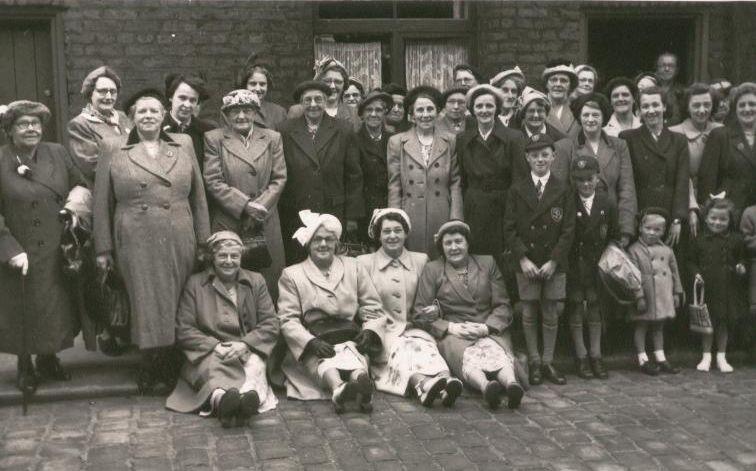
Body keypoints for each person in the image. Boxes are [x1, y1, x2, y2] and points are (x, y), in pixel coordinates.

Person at [93, 88, 210, 394]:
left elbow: (199, 196)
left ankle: (171, 360)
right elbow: (102, 201)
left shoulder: (182, 143)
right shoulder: (113, 146)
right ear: (131, 117)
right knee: (144, 297)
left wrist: (204, 240)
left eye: (154, 111)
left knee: (177, 296)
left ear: (163, 116)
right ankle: (148, 362)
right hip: (135, 233)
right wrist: (103, 247)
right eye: (141, 111)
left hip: (179, 231)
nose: (148, 116)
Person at [0, 101, 87, 393]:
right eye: (23, 124)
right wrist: (9, 248)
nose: (31, 129)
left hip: (53, 245)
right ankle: (25, 365)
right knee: (21, 307)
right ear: (9, 130)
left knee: (53, 307)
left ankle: (48, 358)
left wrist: (73, 208)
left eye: (36, 123)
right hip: (18, 246)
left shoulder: (57, 153)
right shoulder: (1, 159)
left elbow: (81, 185)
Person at [166, 231, 280, 427]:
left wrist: (245, 344)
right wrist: (214, 346)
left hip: (247, 349)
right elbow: (184, 328)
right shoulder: (195, 284)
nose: (229, 261)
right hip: (209, 351)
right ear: (212, 258)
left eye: (234, 256)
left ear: (241, 257)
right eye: (222, 256)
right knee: (213, 375)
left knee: (254, 368)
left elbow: (271, 323)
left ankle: (244, 403)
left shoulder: (256, 281)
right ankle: (223, 403)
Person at [277, 210, 386, 413]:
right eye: (317, 240)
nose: (323, 244)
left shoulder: (354, 267)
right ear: (308, 244)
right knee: (326, 362)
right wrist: (310, 342)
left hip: (348, 335)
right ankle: (339, 389)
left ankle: (361, 386)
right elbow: (287, 319)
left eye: (329, 239)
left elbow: (373, 307)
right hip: (315, 341)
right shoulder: (292, 274)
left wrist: (370, 331)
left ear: (337, 243)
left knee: (353, 357)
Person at [413, 220, 525, 409]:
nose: (454, 247)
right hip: (454, 332)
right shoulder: (433, 269)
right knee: (467, 355)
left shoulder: (487, 263)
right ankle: (486, 387)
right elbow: (419, 313)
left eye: (458, 241)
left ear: (468, 243)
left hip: (487, 327)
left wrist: (485, 327)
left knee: (496, 351)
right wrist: (450, 327)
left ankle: (511, 384)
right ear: (441, 247)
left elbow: (503, 305)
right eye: (448, 243)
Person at [357, 209, 463, 407]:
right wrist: (359, 311)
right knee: (403, 352)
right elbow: (354, 296)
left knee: (426, 348)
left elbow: (437, 293)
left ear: (406, 233)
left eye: (398, 230)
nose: (392, 236)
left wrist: (436, 309)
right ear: (378, 235)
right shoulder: (363, 263)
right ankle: (422, 385)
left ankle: (446, 382)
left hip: (414, 326)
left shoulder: (420, 260)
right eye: (386, 231)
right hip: (381, 331)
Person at [502, 133, 576, 386]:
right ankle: (534, 360)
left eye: (545, 154)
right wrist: (522, 259)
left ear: (554, 156)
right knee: (529, 311)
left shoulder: (563, 188)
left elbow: (568, 230)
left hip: (553, 262)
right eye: (534, 155)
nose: (540, 159)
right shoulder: (517, 189)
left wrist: (554, 261)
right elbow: (509, 228)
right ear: (527, 158)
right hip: (528, 263)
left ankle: (547, 361)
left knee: (551, 311)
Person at [203, 89, 287, 297]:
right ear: (226, 114)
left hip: (264, 221)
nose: (241, 116)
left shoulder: (272, 138)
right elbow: (213, 179)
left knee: (268, 282)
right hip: (230, 220)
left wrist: (259, 208)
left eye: (247, 110)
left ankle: (266, 325)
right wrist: (245, 206)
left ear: (255, 113)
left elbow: (279, 178)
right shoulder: (214, 139)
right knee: (230, 282)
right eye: (234, 111)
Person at [278, 80, 364, 264]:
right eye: (307, 100)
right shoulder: (285, 130)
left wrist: (352, 217)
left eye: (318, 99)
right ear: (301, 103)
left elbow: (354, 175)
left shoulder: (343, 129)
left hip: (332, 210)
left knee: (330, 262)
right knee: (299, 264)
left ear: (326, 101)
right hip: (297, 213)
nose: (313, 104)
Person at [387, 85, 463, 257]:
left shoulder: (450, 140)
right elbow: (395, 185)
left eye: (430, 109)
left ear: (438, 113)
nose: (425, 114)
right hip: (410, 213)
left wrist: (455, 219)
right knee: (413, 260)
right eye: (420, 110)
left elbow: (455, 182)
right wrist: (395, 220)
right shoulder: (397, 141)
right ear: (412, 115)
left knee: (442, 258)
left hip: (441, 211)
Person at [457, 84, 524, 257]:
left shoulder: (513, 138)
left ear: (497, 109)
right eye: (479, 106)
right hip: (475, 209)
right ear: (472, 110)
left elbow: (519, 181)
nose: (484, 110)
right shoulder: (463, 139)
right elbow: (462, 181)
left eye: (489, 106)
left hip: (503, 209)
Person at [567, 154, 617, 380]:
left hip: (597, 265)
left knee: (595, 308)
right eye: (580, 180)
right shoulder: (569, 202)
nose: (585, 184)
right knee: (576, 307)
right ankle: (581, 355)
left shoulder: (607, 202)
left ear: (597, 178)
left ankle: (596, 355)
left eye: (590, 178)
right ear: (574, 181)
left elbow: (614, 236)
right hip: (575, 265)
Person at [620, 86, 689, 248]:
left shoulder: (678, 140)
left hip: (670, 216)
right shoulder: (628, 138)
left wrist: (677, 219)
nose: (651, 111)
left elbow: (682, 182)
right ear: (639, 110)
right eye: (645, 106)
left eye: (655, 105)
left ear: (664, 106)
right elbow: (626, 184)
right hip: (640, 216)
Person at [689, 197, 747, 373]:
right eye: (713, 218)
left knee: (723, 323)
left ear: (730, 221)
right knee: (707, 323)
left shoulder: (736, 240)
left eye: (723, 219)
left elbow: (741, 259)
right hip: (707, 287)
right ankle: (706, 355)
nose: (717, 222)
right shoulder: (699, 239)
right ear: (706, 218)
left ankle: (721, 356)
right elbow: (690, 261)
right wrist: (696, 273)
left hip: (727, 288)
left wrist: (741, 267)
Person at [571, 92, 637, 244]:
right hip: (580, 224)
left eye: (595, 115)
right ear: (579, 117)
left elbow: (627, 188)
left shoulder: (619, 145)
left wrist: (625, 230)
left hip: (612, 223)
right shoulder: (569, 146)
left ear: (604, 117)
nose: (590, 119)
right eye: (586, 115)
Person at [626, 208, 683, 376]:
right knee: (642, 325)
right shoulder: (634, 250)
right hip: (646, 293)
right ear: (640, 228)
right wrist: (639, 296)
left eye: (657, 230)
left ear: (664, 231)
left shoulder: (667, 250)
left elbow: (675, 272)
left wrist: (676, 292)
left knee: (659, 326)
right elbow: (632, 276)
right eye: (648, 228)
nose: (652, 233)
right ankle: (642, 358)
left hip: (663, 294)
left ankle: (660, 356)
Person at [669, 83, 723, 238]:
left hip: (715, 203)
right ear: (687, 107)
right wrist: (692, 207)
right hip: (685, 201)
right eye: (696, 105)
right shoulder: (675, 133)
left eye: (707, 105)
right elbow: (681, 174)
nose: (702, 110)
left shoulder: (720, 130)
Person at [699, 82, 756, 218]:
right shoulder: (720, 135)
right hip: (728, 214)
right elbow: (707, 180)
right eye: (741, 105)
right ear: (734, 109)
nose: (747, 109)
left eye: (752, 104)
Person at [67, 66, 131, 186]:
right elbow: (94, 168)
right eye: (102, 91)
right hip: (105, 191)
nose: (108, 97)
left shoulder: (124, 118)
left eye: (113, 92)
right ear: (90, 94)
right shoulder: (80, 125)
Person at [355, 90, 394, 245]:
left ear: (385, 114)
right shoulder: (354, 140)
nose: (373, 114)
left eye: (378, 110)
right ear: (362, 114)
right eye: (369, 110)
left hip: (389, 204)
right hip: (365, 208)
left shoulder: (393, 139)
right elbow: (353, 179)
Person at [516, 87, 574, 181]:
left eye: (540, 111)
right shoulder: (515, 139)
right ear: (523, 114)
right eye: (531, 111)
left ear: (546, 114)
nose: (536, 115)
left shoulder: (560, 140)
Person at [288, 56, 360, 131]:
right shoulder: (297, 111)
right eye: (327, 81)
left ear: (344, 85)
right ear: (318, 83)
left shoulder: (352, 113)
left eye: (338, 82)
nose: (332, 86)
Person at [162, 73, 215, 172]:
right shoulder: (158, 128)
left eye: (192, 100)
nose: (187, 105)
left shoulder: (207, 132)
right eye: (182, 98)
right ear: (171, 97)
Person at [238, 61, 288, 130]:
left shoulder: (279, 112)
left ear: (267, 86)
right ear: (245, 86)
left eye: (262, 84)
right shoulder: (233, 111)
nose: (258, 89)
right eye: (253, 84)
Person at [543, 60, 580, 140]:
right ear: (546, 84)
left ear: (570, 85)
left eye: (563, 81)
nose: (558, 84)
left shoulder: (577, 109)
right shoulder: (538, 107)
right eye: (553, 80)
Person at [655, 52, 684, 126]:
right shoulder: (651, 88)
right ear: (657, 68)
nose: (666, 69)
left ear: (677, 70)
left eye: (671, 66)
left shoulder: (682, 91)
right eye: (663, 65)